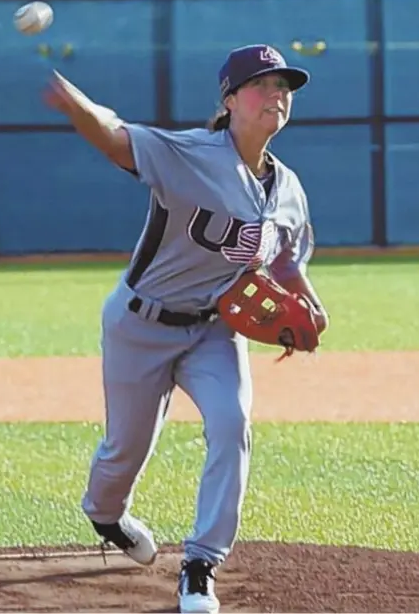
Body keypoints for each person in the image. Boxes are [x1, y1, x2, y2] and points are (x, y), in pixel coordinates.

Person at [44, 43, 329, 614]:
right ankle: (106, 514)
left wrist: (310, 305)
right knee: (125, 450)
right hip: (139, 324)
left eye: (284, 87)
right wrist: (67, 95)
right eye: (262, 84)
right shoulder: (190, 154)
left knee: (232, 423)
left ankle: (200, 565)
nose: (277, 94)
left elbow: (286, 261)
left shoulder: (289, 189)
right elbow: (115, 135)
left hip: (215, 331)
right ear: (229, 99)